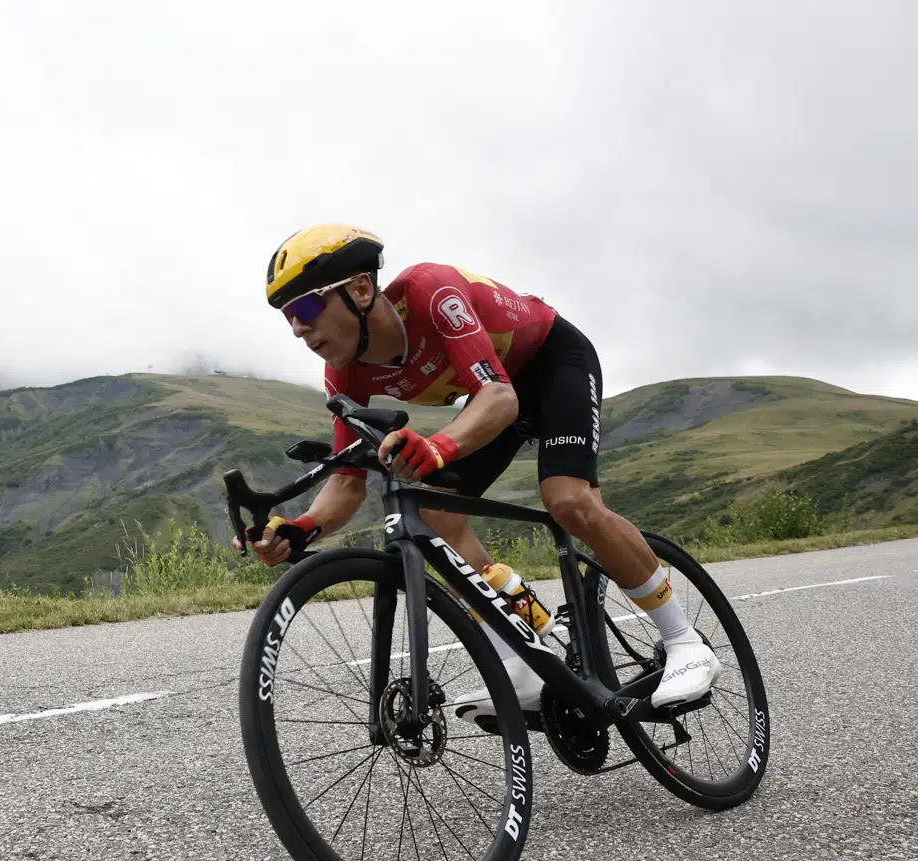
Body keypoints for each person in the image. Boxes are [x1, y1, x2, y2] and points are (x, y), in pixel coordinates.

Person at [238, 222, 719, 723]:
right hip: (495, 391)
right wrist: (300, 528)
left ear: (360, 288)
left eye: (306, 308)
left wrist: (439, 447)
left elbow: (499, 397)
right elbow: (345, 482)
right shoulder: (345, 373)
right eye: (288, 317)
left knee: (569, 500)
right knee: (433, 517)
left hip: (553, 364)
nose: (297, 328)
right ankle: (522, 666)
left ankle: (684, 641)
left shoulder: (430, 292)